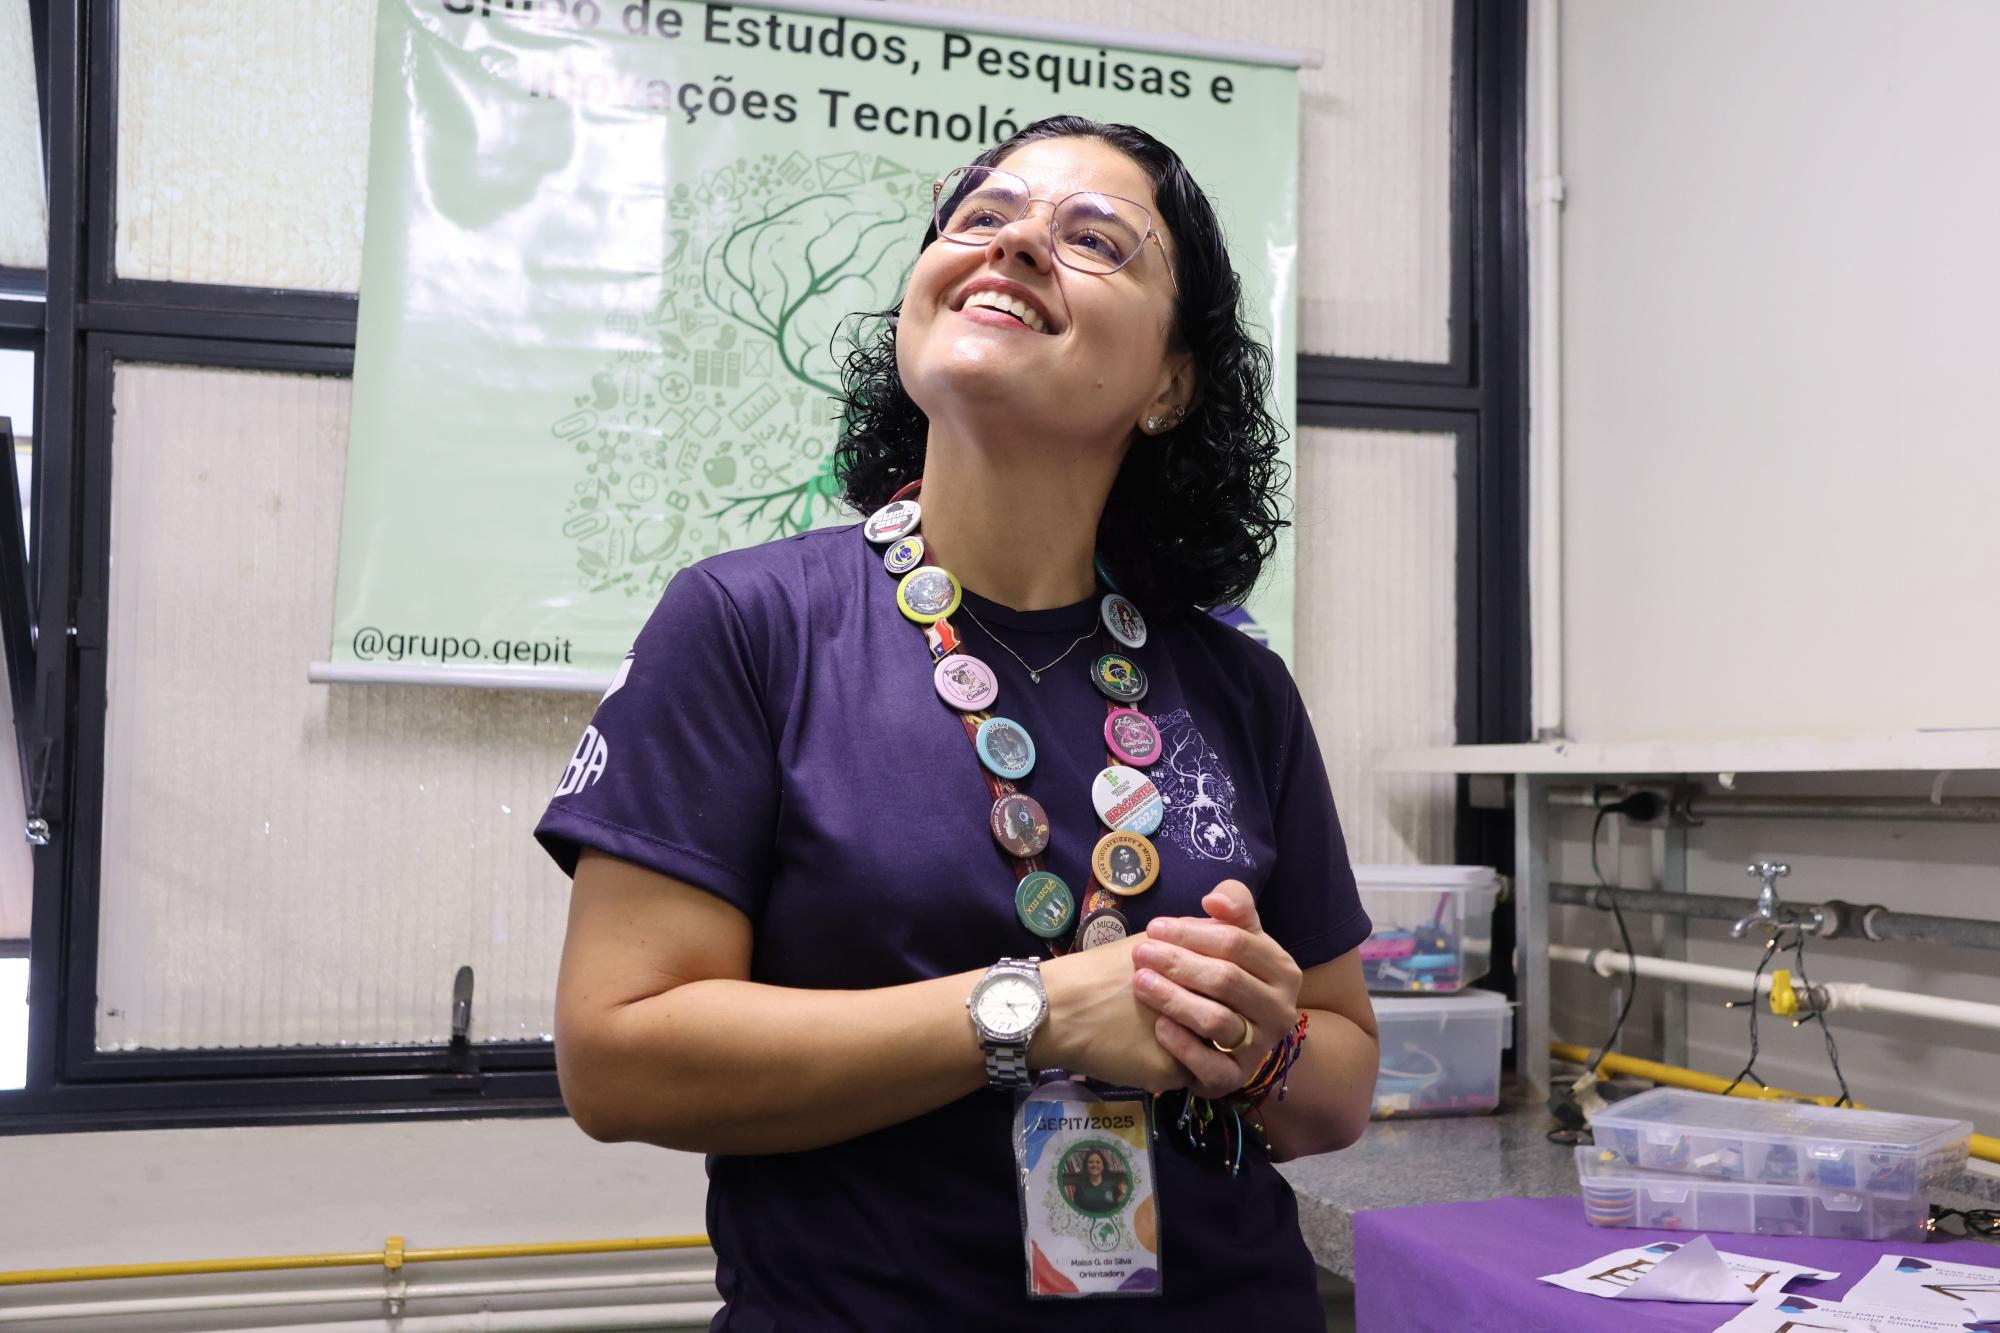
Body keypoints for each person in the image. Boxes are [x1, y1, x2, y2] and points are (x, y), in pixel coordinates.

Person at [539, 115, 1380, 1329]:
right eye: (980, 216)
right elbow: (618, 1057)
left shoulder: (1238, 685)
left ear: (1168, 385)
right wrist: (1034, 1014)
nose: (1017, 242)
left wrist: (1258, 1047)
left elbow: (1338, 1082)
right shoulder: (744, 624)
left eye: (1095, 238)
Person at [1065, 1148, 1129, 1214]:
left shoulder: (1112, 1185)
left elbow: (1119, 1209)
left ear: (1103, 1166)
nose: (1094, 1165)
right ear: (1086, 1166)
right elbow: (1078, 1212)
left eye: (1098, 1162)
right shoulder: (1080, 1187)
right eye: (1090, 1162)